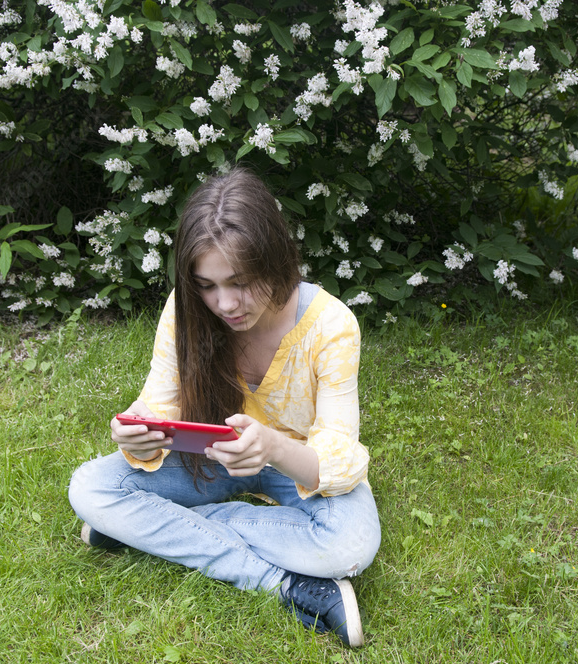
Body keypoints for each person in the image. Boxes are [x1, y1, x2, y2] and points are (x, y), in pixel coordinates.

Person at [67, 167, 381, 647]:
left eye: (239, 281)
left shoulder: (331, 325)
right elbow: (157, 402)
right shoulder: (187, 310)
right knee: (92, 486)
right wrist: (134, 430)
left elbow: (338, 455)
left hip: (293, 467)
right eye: (207, 285)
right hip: (212, 462)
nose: (225, 303)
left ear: (273, 259)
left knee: (352, 544)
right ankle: (285, 585)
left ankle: (149, 532)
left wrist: (273, 445)